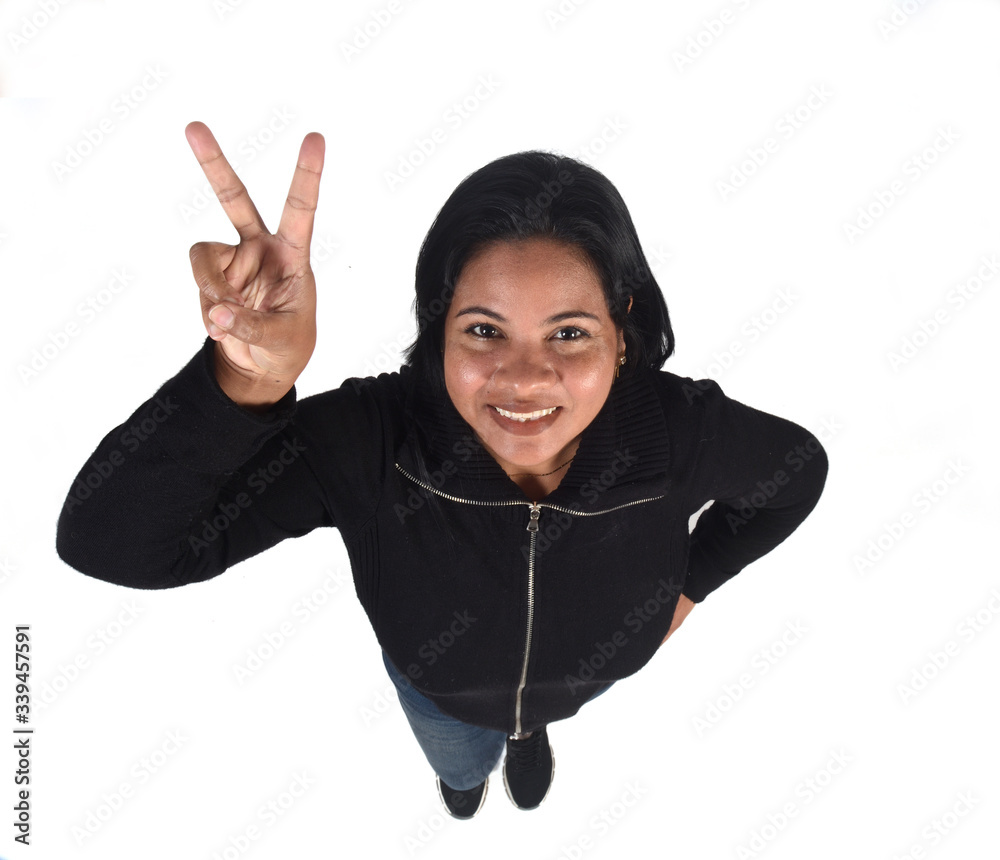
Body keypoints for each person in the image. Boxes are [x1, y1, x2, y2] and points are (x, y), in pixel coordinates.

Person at [56, 121, 829, 820]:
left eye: (568, 333)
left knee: (535, 721)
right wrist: (247, 383)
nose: (524, 380)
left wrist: (692, 583)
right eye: (484, 329)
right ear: (439, 328)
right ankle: (462, 780)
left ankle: (530, 737)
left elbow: (796, 473)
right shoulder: (368, 441)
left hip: (585, 680)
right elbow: (113, 545)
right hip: (440, 700)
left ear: (622, 330)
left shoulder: (678, 433)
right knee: (459, 755)